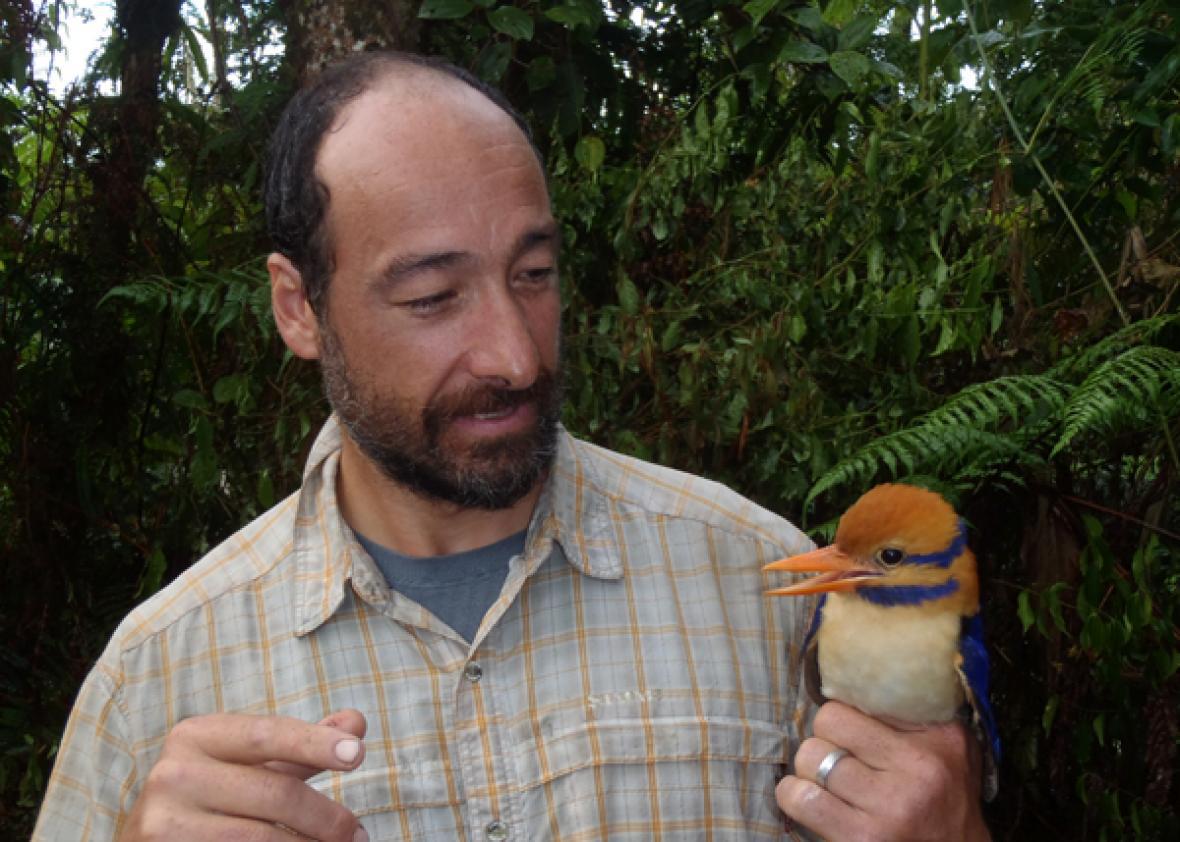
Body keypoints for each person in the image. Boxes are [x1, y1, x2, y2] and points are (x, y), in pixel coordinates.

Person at [34, 52, 990, 841]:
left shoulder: (763, 583)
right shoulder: (153, 678)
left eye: (533, 274)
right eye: (431, 298)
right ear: (299, 308)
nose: (515, 351)